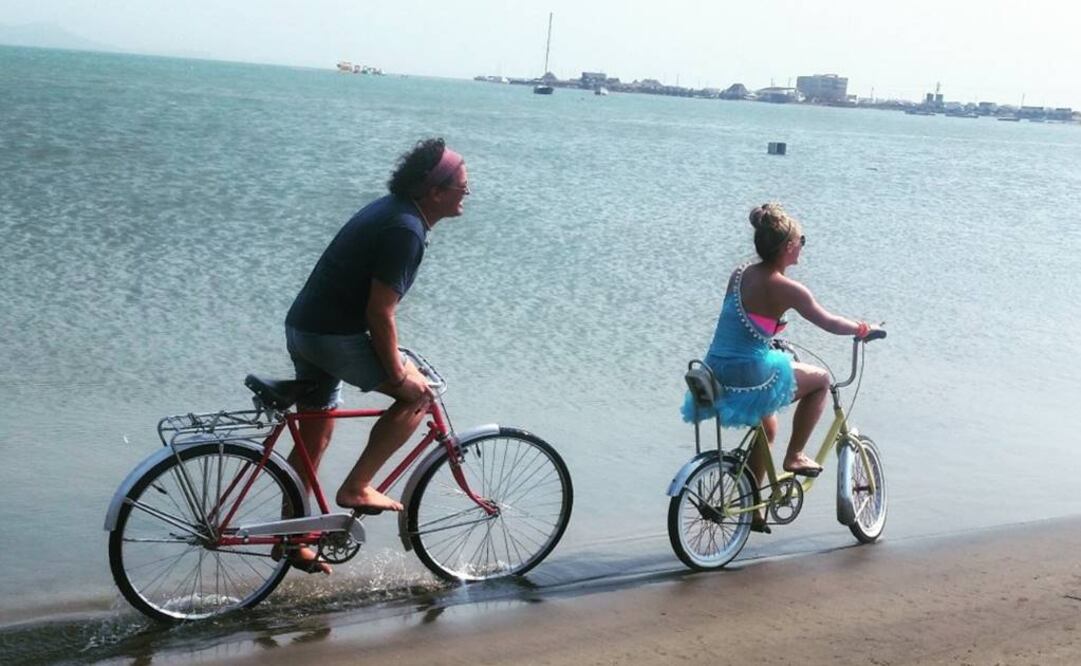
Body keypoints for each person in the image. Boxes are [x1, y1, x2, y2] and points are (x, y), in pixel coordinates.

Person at [281, 138, 470, 572]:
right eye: (462, 187)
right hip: (331, 336)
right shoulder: (406, 230)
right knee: (417, 396)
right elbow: (380, 313)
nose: (466, 194)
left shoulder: (392, 210)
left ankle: (290, 541)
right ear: (435, 191)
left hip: (306, 327)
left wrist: (395, 364)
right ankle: (358, 487)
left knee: (314, 437)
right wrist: (399, 375)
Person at [681, 203, 876, 532]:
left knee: (767, 428)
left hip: (716, 368)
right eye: (802, 240)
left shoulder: (740, 273)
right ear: (788, 247)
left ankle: (753, 509)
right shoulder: (788, 289)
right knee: (822, 379)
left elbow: (742, 325)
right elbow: (828, 321)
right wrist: (861, 328)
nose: (803, 246)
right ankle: (796, 455)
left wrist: (770, 332)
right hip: (750, 371)